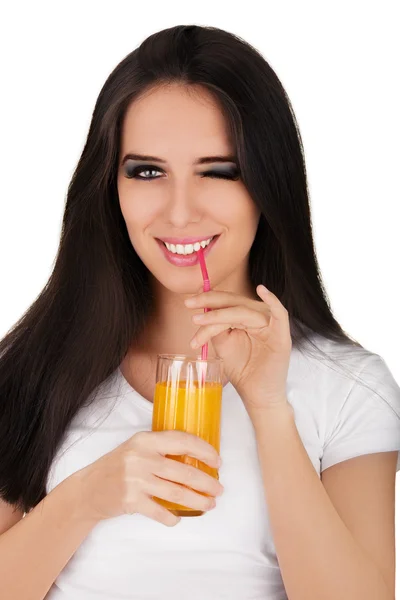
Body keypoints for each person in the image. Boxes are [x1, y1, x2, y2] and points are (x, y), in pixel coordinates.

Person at [0, 24, 399, 600]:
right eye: (147, 171)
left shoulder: (349, 388)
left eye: (218, 171)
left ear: (267, 183)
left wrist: (268, 408)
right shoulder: (34, 366)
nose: (179, 212)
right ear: (109, 185)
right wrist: (86, 497)